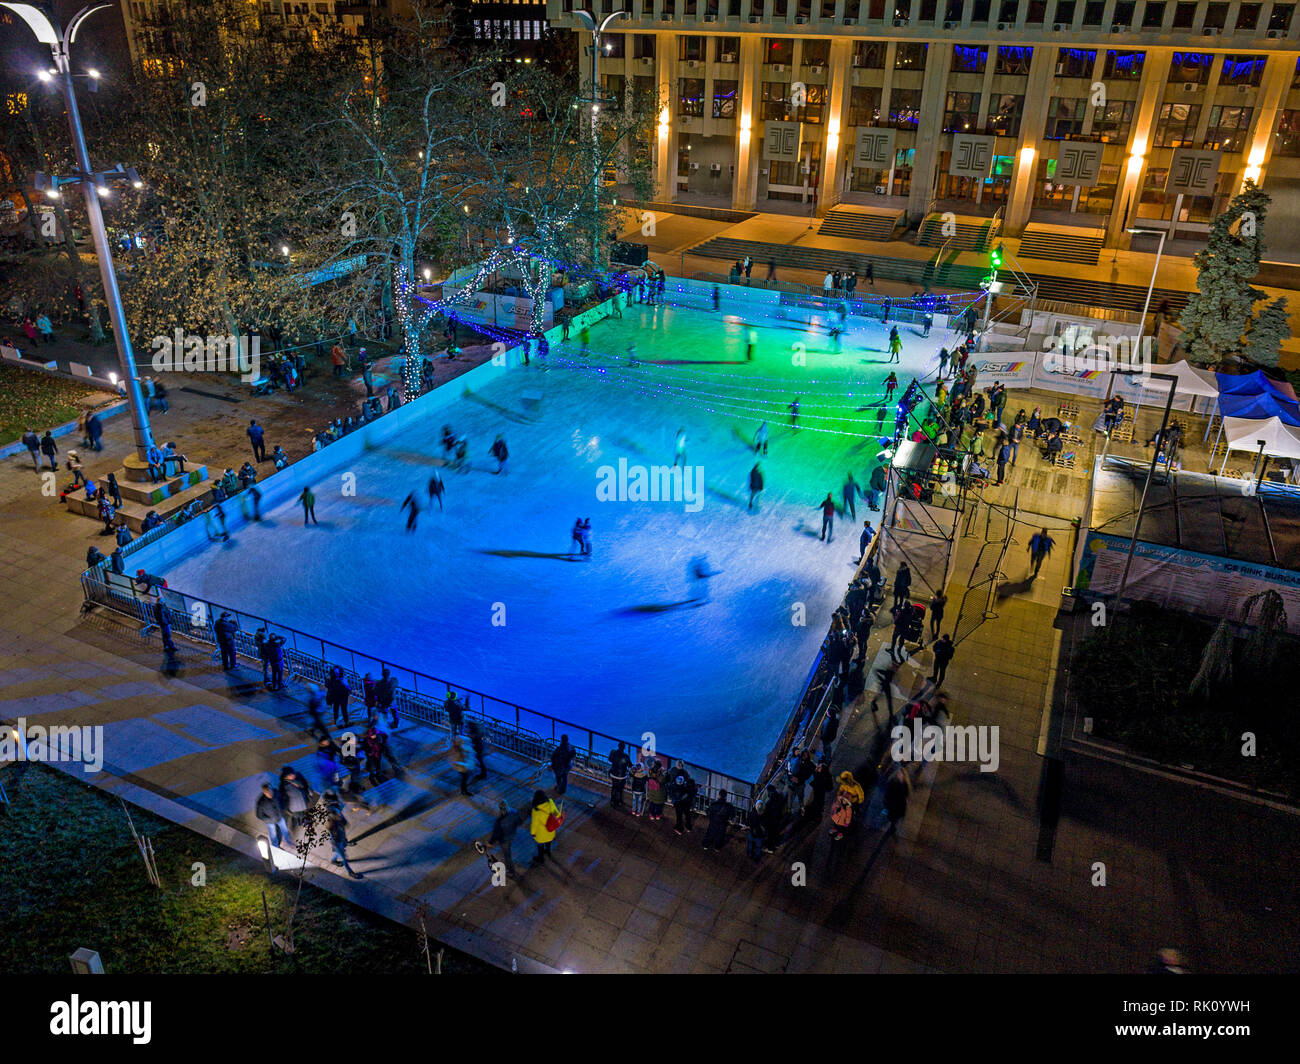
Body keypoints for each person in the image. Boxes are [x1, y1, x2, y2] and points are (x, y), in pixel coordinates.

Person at [324, 792, 364, 878]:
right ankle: (350, 872)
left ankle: (334, 861)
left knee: (338, 853)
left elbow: (344, 824)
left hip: (340, 840)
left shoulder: (336, 817)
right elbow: (336, 835)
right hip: (337, 843)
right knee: (344, 858)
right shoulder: (333, 823)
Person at [487, 800, 522, 878]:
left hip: (504, 840)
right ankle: (510, 869)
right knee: (508, 852)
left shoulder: (499, 821)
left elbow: (496, 834)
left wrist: (490, 843)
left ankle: (511, 872)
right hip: (512, 836)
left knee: (507, 856)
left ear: (500, 809)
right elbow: (519, 822)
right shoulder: (514, 813)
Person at [529, 789, 562, 866]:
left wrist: (533, 833)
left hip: (541, 833)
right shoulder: (550, 802)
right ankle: (548, 851)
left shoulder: (536, 810)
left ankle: (541, 858)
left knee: (540, 845)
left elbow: (535, 823)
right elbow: (556, 814)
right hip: (550, 829)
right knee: (549, 841)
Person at [255, 782, 293, 850]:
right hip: (271, 822)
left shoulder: (276, 793)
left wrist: (283, 809)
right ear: (264, 793)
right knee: (273, 836)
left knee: (285, 830)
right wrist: (269, 820)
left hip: (280, 817)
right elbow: (259, 815)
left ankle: (289, 842)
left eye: (270, 791)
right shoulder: (261, 802)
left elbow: (282, 800)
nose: (270, 794)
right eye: (268, 792)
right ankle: (276, 848)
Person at [667, 761, 696, 835]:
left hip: (678, 803)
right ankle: (688, 827)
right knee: (687, 814)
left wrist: (673, 799)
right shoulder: (685, 776)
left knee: (679, 816)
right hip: (686, 802)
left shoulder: (674, 785)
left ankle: (679, 828)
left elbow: (671, 792)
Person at [883, 767, 911, 834]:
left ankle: (893, 824)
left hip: (900, 805)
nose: (899, 775)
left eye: (901, 774)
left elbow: (906, 794)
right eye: (898, 773)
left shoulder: (905, 784)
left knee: (896, 817)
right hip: (893, 804)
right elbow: (888, 792)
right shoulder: (893, 782)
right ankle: (892, 826)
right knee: (892, 817)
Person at [608, 741, 631, 808]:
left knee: (614, 787)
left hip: (613, 773)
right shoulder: (626, 756)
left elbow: (610, 759)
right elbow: (630, 765)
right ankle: (619, 801)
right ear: (624, 748)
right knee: (620, 789)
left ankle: (612, 801)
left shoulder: (613, 752)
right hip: (622, 776)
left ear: (618, 746)